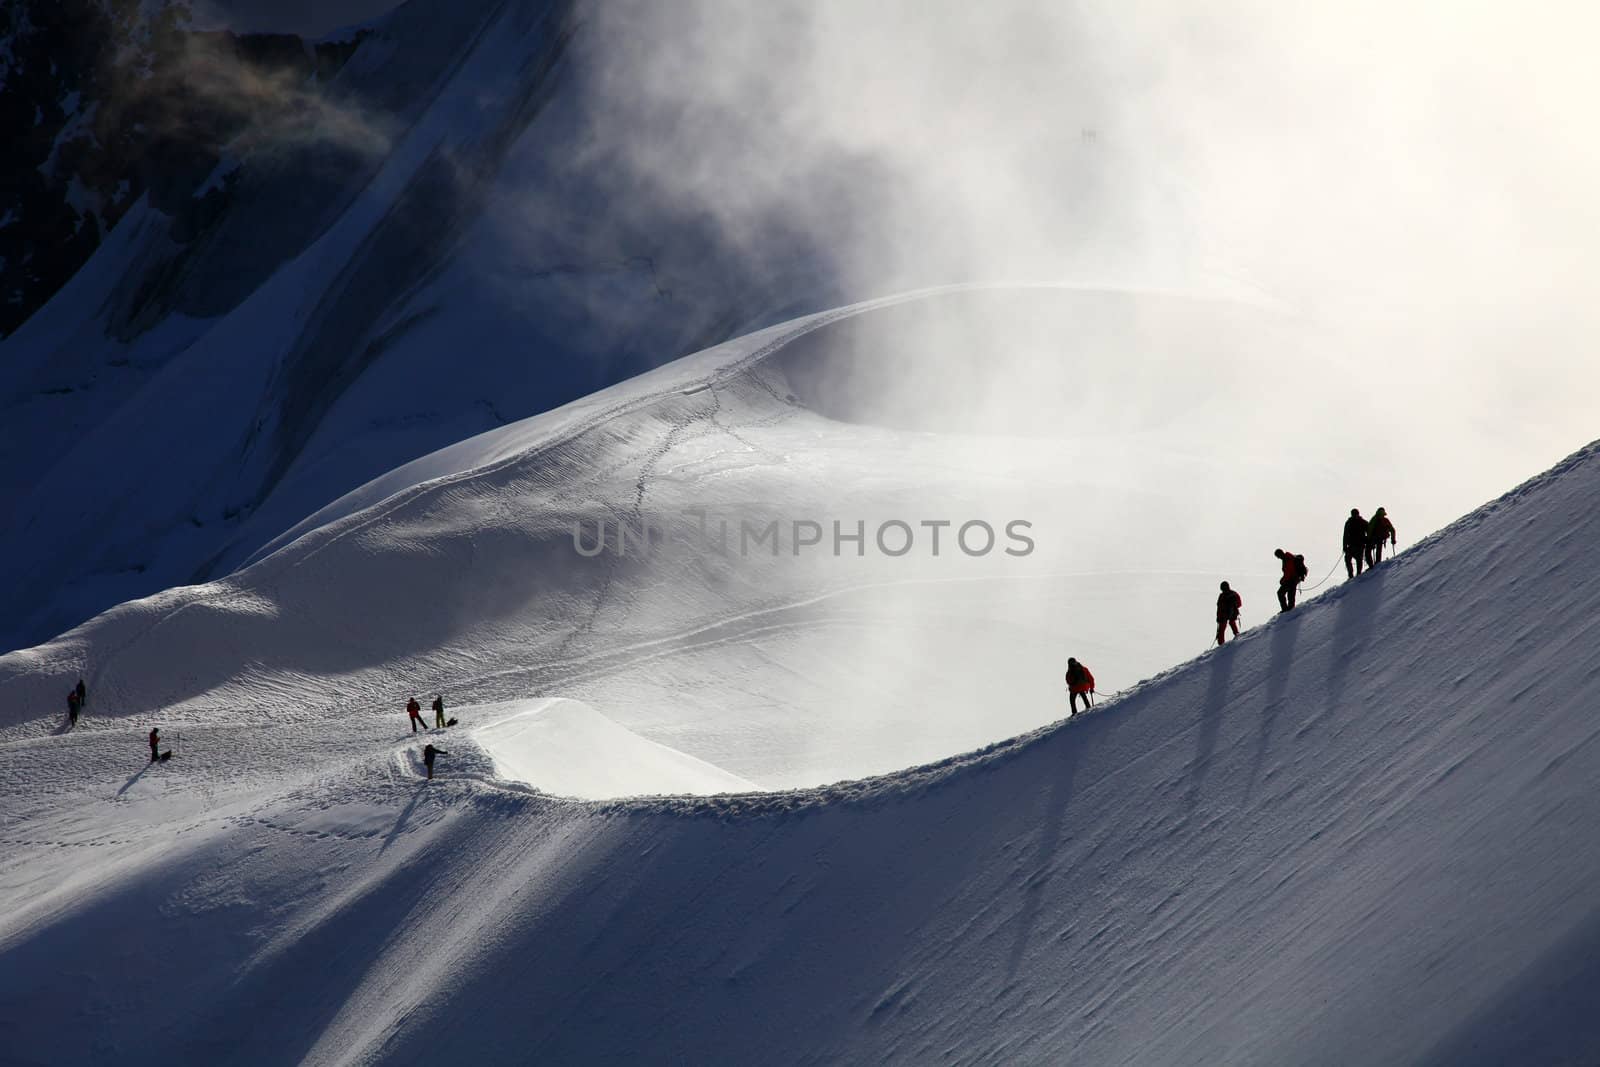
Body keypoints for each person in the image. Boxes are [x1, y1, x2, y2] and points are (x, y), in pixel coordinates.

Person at [1343, 508, 1368, 578]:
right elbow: (1345, 535)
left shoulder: (1350, 522)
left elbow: (1345, 535)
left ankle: (1357, 574)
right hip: (1355, 545)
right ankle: (1352, 574)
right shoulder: (1361, 522)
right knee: (1351, 559)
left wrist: (1345, 546)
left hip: (1358, 545)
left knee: (1357, 559)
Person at [1216, 581, 1242, 645]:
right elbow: (1239, 604)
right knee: (1231, 623)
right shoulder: (1233, 594)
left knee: (1221, 630)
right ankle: (1237, 635)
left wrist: (1218, 617)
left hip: (1224, 615)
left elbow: (1219, 607)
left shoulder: (1222, 595)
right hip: (1230, 614)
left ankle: (1221, 645)